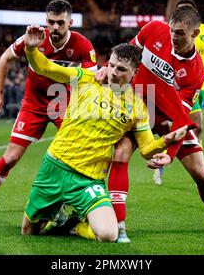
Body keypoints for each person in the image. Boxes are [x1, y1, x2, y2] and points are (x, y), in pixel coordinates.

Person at [21, 25, 188, 242]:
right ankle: (57, 213)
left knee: (109, 235)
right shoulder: (86, 78)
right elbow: (47, 68)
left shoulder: (137, 106)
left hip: (89, 180)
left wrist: (165, 141)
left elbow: (146, 150)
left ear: (135, 73)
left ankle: (74, 226)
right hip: (55, 166)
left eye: (121, 70)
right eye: (112, 65)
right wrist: (32, 51)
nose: (113, 73)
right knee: (29, 231)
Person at [97, 5, 204, 243]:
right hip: (136, 109)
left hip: (168, 120)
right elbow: (125, 54)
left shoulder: (196, 73)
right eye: (171, 31)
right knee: (120, 154)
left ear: (195, 34)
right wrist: (107, 68)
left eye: (179, 33)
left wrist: (170, 154)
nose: (173, 37)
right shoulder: (153, 30)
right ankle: (120, 226)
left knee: (200, 173)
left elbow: (179, 121)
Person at [0, 0, 97, 216]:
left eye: (60, 23)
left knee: (71, 157)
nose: (55, 27)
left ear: (70, 22)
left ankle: (67, 206)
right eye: (51, 22)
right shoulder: (34, 38)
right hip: (33, 105)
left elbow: (92, 78)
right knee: (11, 156)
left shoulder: (83, 45)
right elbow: (5, 58)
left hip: (63, 106)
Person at [153, 0, 204, 185]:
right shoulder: (169, 31)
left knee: (194, 127)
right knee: (178, 123)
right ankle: (163, 163)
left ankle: (197, 165)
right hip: (171, 85)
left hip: (197, 84)